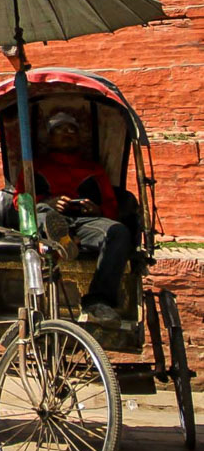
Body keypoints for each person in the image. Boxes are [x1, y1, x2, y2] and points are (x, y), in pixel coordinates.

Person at [16, 111, 134, 326]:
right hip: (48, 217)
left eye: (72, 129)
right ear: (50, 137)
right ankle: (61, 240)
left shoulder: (94, 170)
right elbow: (20, 202)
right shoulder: (34, 168)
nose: (67, 133)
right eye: (61, 129)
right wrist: (50, 203)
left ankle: (98, 300)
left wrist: (96, 209)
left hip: (84, 222)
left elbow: (111, 206)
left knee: (118, 232)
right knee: (43, 215)